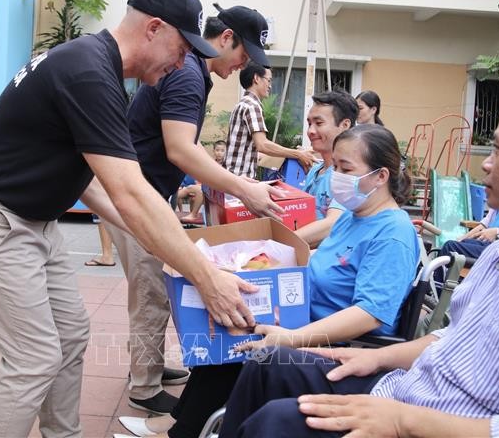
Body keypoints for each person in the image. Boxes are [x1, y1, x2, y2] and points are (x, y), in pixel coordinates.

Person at [0, 0, 260, 438]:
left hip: (36, 221)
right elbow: (130, 191)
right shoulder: (88, 71)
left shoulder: (97, 66)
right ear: (154, 28)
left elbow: (95, 183)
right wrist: (205, 277)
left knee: (71, 336)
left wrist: (165, 240)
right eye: (180, 47)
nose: (182, 61)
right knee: (33, 357)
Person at [218, 80, 499, 438]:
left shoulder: (393, 232)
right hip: (403, 388)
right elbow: (451, 338)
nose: (486, 164)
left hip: (428, 419)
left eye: (497, 149)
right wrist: (375, 359)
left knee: (276, 418)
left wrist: (400, 421)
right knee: (261, 363)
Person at [116, 124, 420, 438]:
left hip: (333, 343)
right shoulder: (352, 218)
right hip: (300, 320)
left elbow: (369, 314)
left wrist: (292, 337)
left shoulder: (393, 234)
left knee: (243, 347)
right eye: (335, 167)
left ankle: (183, 431)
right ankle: (181, 423)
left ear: (381, 176)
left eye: (345, 169)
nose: (336, 178)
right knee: (229, 320)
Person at [107, 3, 287, 415]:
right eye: (244, 56)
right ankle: (144, 385)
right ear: (225, 39)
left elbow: (177, 143)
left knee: (156, 285)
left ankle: (148, 366)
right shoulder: (189, 75)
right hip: (139, 196)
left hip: (147, 193)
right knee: (152, 289)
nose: (242, 66)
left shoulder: (189, 71)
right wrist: (244, 188)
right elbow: (179, 149)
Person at [224, 61, 317, 178]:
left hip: (231, 177)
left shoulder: (242, 104)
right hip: (239, 180)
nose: (270, 85)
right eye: (269, 80)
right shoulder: (253, 106)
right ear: (256, 78)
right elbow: (262, 145)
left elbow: (246, 147)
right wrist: (298, 154)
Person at [294, 91, 358, 249]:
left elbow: (332, 223)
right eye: (309, 123)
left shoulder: (348, 174)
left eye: (319, 123)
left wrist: (283, 242)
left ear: (344, 125)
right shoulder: (315, 170)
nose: (310, 131)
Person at [434, 207, 499, 284]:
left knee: (450, 246)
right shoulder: (497, 204)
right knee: (461, 243)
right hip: (488, 244)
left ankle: (437, 287)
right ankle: (440, 283)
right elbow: (484, 224)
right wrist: (461, 239)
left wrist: (497, 231)